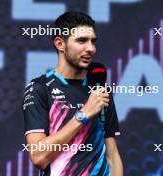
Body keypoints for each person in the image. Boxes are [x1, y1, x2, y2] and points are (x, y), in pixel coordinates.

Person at [22, 11, 123, 176]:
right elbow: (39, 157)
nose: (90, 48)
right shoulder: (39, 88)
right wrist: (84, 114)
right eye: (82, 41)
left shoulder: (99, 88)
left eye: (93, 41)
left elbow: (112, 155)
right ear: (60, 44)